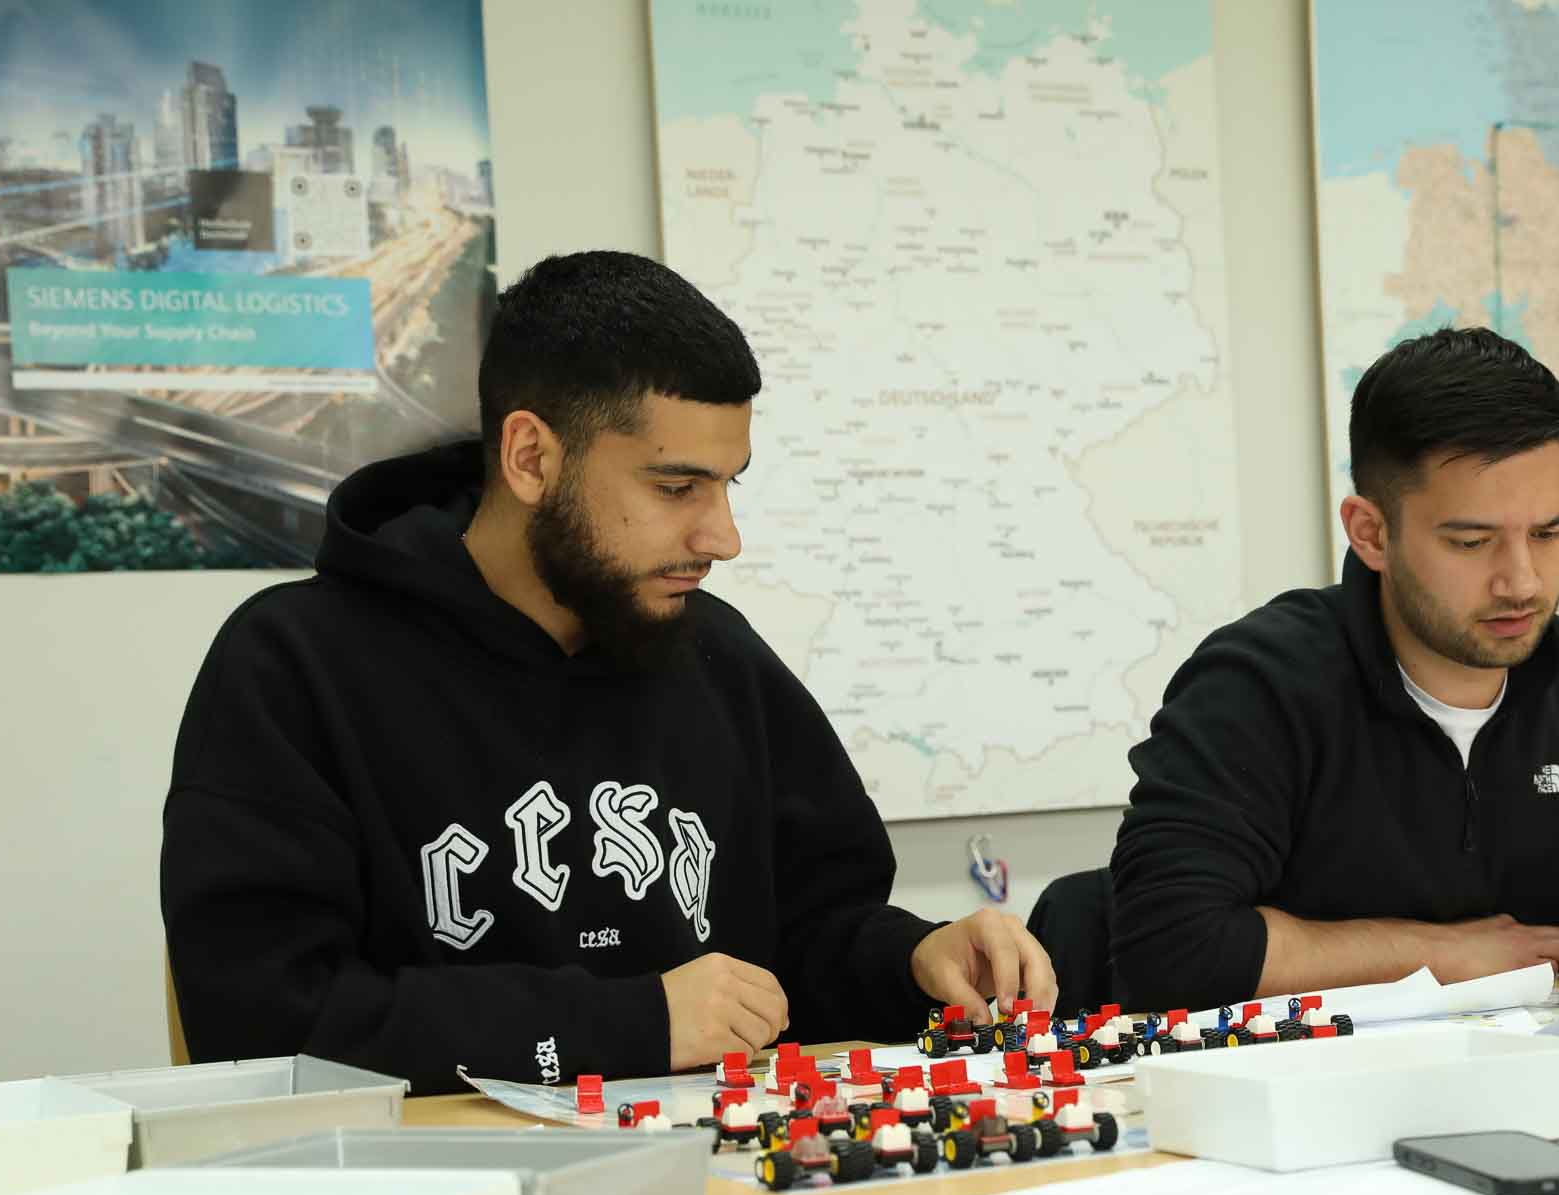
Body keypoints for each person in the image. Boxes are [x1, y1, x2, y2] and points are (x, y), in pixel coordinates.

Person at [161, 250, 1055, 1094]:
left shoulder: (721, 658)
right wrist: (630, 1024)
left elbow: (807, 941)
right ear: (531, 458)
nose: (723, 538)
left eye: (727, 485)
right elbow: (263, 1026)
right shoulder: (293, 668)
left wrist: (913, 960)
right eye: (676, 489)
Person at [1109, 326, 1559, 1008]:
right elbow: (1167, 946)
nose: (1522, 581)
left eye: (1549, 533)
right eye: (1472, 541)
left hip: (1521, 1081)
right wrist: (1440, 954)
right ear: (1371, 532)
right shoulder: (1257, 684)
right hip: (1297, 1089)